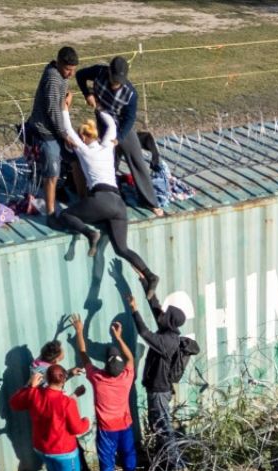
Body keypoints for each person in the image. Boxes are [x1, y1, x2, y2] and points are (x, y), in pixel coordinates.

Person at [57, 99, 161, 295]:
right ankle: (150, 275)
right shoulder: (108, 146)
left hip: (101, 199)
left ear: (83, 136)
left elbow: (68, 129)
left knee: (65, 215)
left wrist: (64, 109)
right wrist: (99, 108)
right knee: (122, 249)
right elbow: (112, 125)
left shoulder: (84, 151)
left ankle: (90, 234)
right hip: (118, 204)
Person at [75, 56, 166, 216]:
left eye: (119, 81)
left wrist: (120, 137)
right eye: (113, 79)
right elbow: (80, 75)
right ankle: (104, 196)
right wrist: (87, 93)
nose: (115, 84)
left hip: (122, 126)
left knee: (136, 159)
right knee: (107, 161)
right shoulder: (99, 72)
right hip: (103, 122)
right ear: (109, 71)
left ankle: (150, 201)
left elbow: (130, 118)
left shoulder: (131, 94)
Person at [8, 364, 90, 471]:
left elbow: (14, 403)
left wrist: (29, 385)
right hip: (64, 451)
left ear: (45, 378)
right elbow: (77, 428)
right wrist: (86, 421)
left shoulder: (35, 394)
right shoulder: (66, 402)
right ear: (63, 381)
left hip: (42, 449)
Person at [129, 293, 199, 471]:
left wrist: (134, 310)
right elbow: (157, 313)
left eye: (166, 314)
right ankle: (165, 461)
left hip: (159, 391)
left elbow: (144, 333)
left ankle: (175, 467)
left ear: (170, 319)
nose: (163, 315)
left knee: (164, 428)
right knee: (160, 426)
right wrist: (149, 292)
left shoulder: (166, 341)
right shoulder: (169, 333)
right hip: (160, 389)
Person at [71, 313, 136, 471]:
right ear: (121, 367)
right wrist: (119, 337)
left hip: (107, 429)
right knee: (129, 458)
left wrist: (79, 331)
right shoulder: (126, 377)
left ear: (105, 367)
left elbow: (83, 355)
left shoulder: (97, 378)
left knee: (106, 462)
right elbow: (130, 358)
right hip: (125, 426)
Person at [26, 46, 79, 226]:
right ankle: (50, 214)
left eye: (73, 70)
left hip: (55, 129)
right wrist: (64, 135)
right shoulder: (53, 78)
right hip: (46, 132)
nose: (71, 74)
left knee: (75, 160)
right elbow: (52, 111)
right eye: (68, 70)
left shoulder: (60, 75)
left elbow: (58, 104)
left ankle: (84, 201)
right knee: (52, 173)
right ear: (59, 62)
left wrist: (66, 101)